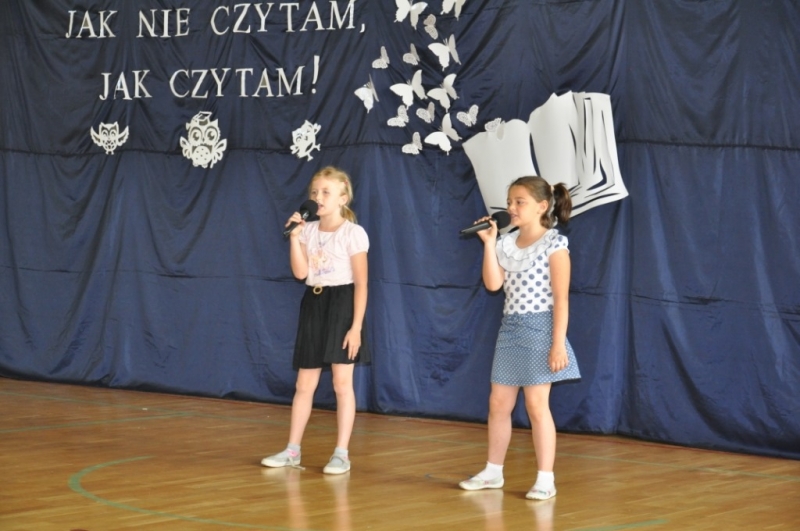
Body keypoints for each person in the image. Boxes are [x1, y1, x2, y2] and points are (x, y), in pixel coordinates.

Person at [459, 175, 580, 500]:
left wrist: (557, 343)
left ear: (542, 206)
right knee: (498, 403)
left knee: (537, 406)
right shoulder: (505, 243)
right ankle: (493, 472)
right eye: (510, 202)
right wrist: (489, 244)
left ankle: (545, 479)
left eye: (519, 202)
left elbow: (562, 299)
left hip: (541, 329)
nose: (511, 208)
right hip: (511, 328)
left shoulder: (554, 244)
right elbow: (493, 284)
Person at [262, 166, 369, 475]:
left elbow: (361, 283)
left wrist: (355, 327)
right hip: (314, 302)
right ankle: (292, 450)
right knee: (304, 383)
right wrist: (295, 238)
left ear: (342, 198)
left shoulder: (353, 233)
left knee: (341, 383)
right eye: (314, 192)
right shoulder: (307, 230)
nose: (318, 197)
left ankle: (341, 454)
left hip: (342, 304)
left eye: (326, 192)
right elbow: (301, 273)